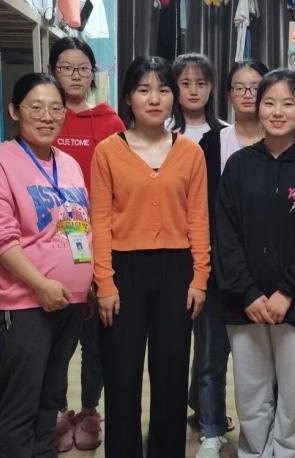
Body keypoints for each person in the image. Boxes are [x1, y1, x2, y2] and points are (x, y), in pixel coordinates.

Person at [90, 55, 210, 457]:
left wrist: (200, 277)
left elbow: (198, 219)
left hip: (176, 271)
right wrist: (105, 283)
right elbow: (100, 220)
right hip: (123, 270)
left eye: (163, 90)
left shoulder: (190, 153)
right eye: (144, 90)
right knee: (121, 377)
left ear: (174, 97)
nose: (154, 99)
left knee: (171, 376)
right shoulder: (108, 151)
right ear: (128, 97)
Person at [0, 73, 93, 457]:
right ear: (14, 111)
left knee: (49, 400)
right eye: (36, 107)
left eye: (55, 108)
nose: (47, 117)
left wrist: (85, 283)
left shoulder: (68, 164)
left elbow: (78, 226)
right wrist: (40, 284)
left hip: (69, 302)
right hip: (23, 304)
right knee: (21, 403)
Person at [214, 68, 295, 458]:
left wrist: (287, 291)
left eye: (288, 103)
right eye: (269, 102)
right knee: (251, 395)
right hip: (245, 303)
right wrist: (248, 292)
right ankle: (253, 452)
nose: (277, 112)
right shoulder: (239, 165)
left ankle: (289, 453)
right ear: (257, 107)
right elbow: (225, 235)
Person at [47, 36, 124, 451]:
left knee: (96, 340)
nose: (75, 76)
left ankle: (91, 409)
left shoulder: (111, 123)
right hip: (49, 249)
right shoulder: (44, 118)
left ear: (92, 73)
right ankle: (58, 410)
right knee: (57, 340)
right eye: (66, 67)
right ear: (52, 71)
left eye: (82, 68)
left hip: (99, 246)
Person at [192, 59, 270, 457]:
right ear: (228, 95)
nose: (248, 95)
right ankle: (211, 428)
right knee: (210, 356)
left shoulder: (282, 141)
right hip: (218, 267)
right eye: (240, 87)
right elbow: (200, 208)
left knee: (262, 361)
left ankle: (266, 432)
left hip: (266, 272)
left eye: (256, 87)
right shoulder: (212, 143)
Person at [170, 53, 226, 142]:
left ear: (211, 87)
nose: (193, 92)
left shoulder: (225, 132)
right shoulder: (161, 129)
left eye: (201, 84)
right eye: (185, 83)